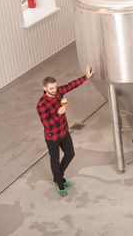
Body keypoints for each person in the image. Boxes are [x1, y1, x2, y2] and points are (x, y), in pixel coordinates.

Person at [36, 65, 94, 197]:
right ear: (44, 88)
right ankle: (60, 183)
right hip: (52, 137)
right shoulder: (41, 105)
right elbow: (47, 124)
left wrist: (86, 77)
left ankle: (58, 177)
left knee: (70, 153)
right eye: (51, 88)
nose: (54, 90)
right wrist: (58, 113)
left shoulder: (58, 92)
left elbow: (71, 85)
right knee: (55, 160)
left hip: (63, 131)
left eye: (55, 87)